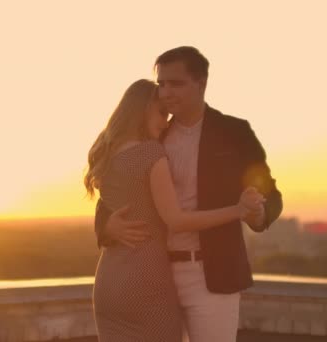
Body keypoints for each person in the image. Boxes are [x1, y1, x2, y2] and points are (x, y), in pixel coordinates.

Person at [94, 47, 283, 342]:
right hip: (156, 273)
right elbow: (120, 192)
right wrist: (105, 225)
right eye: (162, 84)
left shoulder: (233, 132)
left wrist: (258, 212)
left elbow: (270, 194)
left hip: (211, 275)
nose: (167, 92)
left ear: (202, 83)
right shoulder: (154, 135)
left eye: (176, 83)